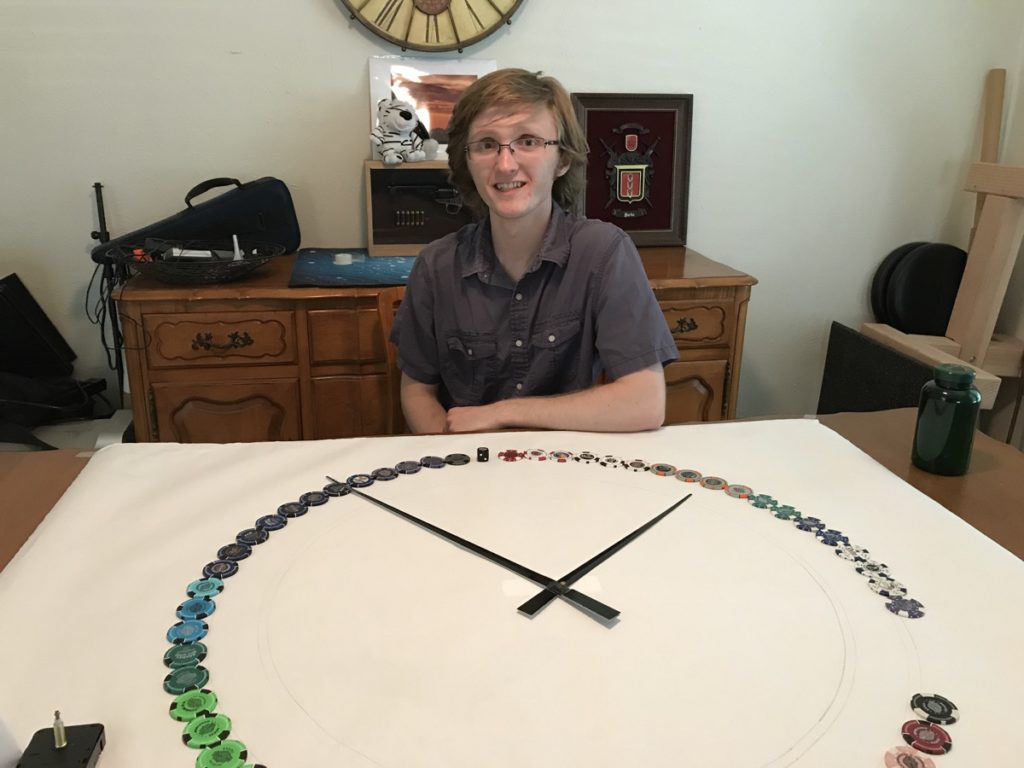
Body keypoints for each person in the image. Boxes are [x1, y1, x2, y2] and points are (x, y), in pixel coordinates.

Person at [389, 68, 678, 434]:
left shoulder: (604, 252)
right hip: (470, 472)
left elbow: (645, 402)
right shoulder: (436, 265)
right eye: (487, 144)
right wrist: (453, 461)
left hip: (570, 470)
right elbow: (417, 391)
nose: (505, 163)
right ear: (467, 161)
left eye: (528, 141)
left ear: (563, 159)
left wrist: (501, 413)